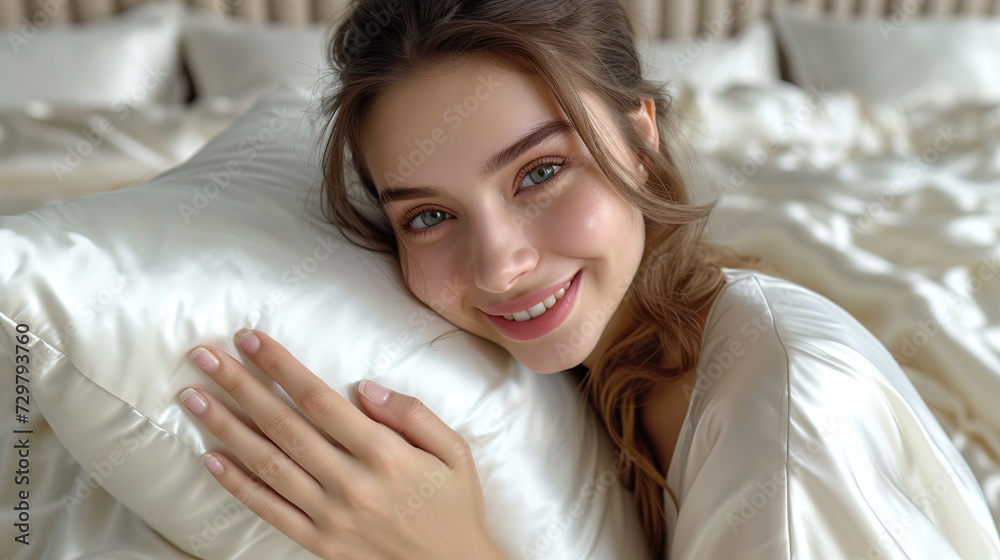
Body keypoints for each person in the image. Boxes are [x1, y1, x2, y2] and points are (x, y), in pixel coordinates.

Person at [177, 0, 1000, 558]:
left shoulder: (787, 417)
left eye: (540, 173)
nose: (500, 265)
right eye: (428, 216)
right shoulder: (600, 368)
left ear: (640, 136)